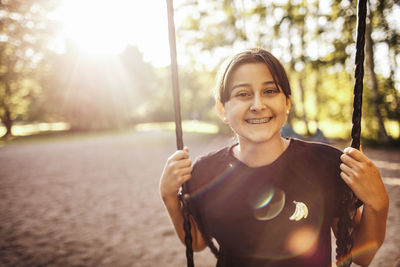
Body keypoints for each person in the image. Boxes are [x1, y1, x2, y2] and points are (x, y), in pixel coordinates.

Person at [159, 48, 389, 267]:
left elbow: (363, 255)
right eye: (243, 94)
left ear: (286, 102)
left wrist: (378, 203)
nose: (258, 105)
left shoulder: (325, 164)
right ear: (222, 109)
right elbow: (197, 242)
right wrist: (169, 196)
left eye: (270, 91)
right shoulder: (205, 172)